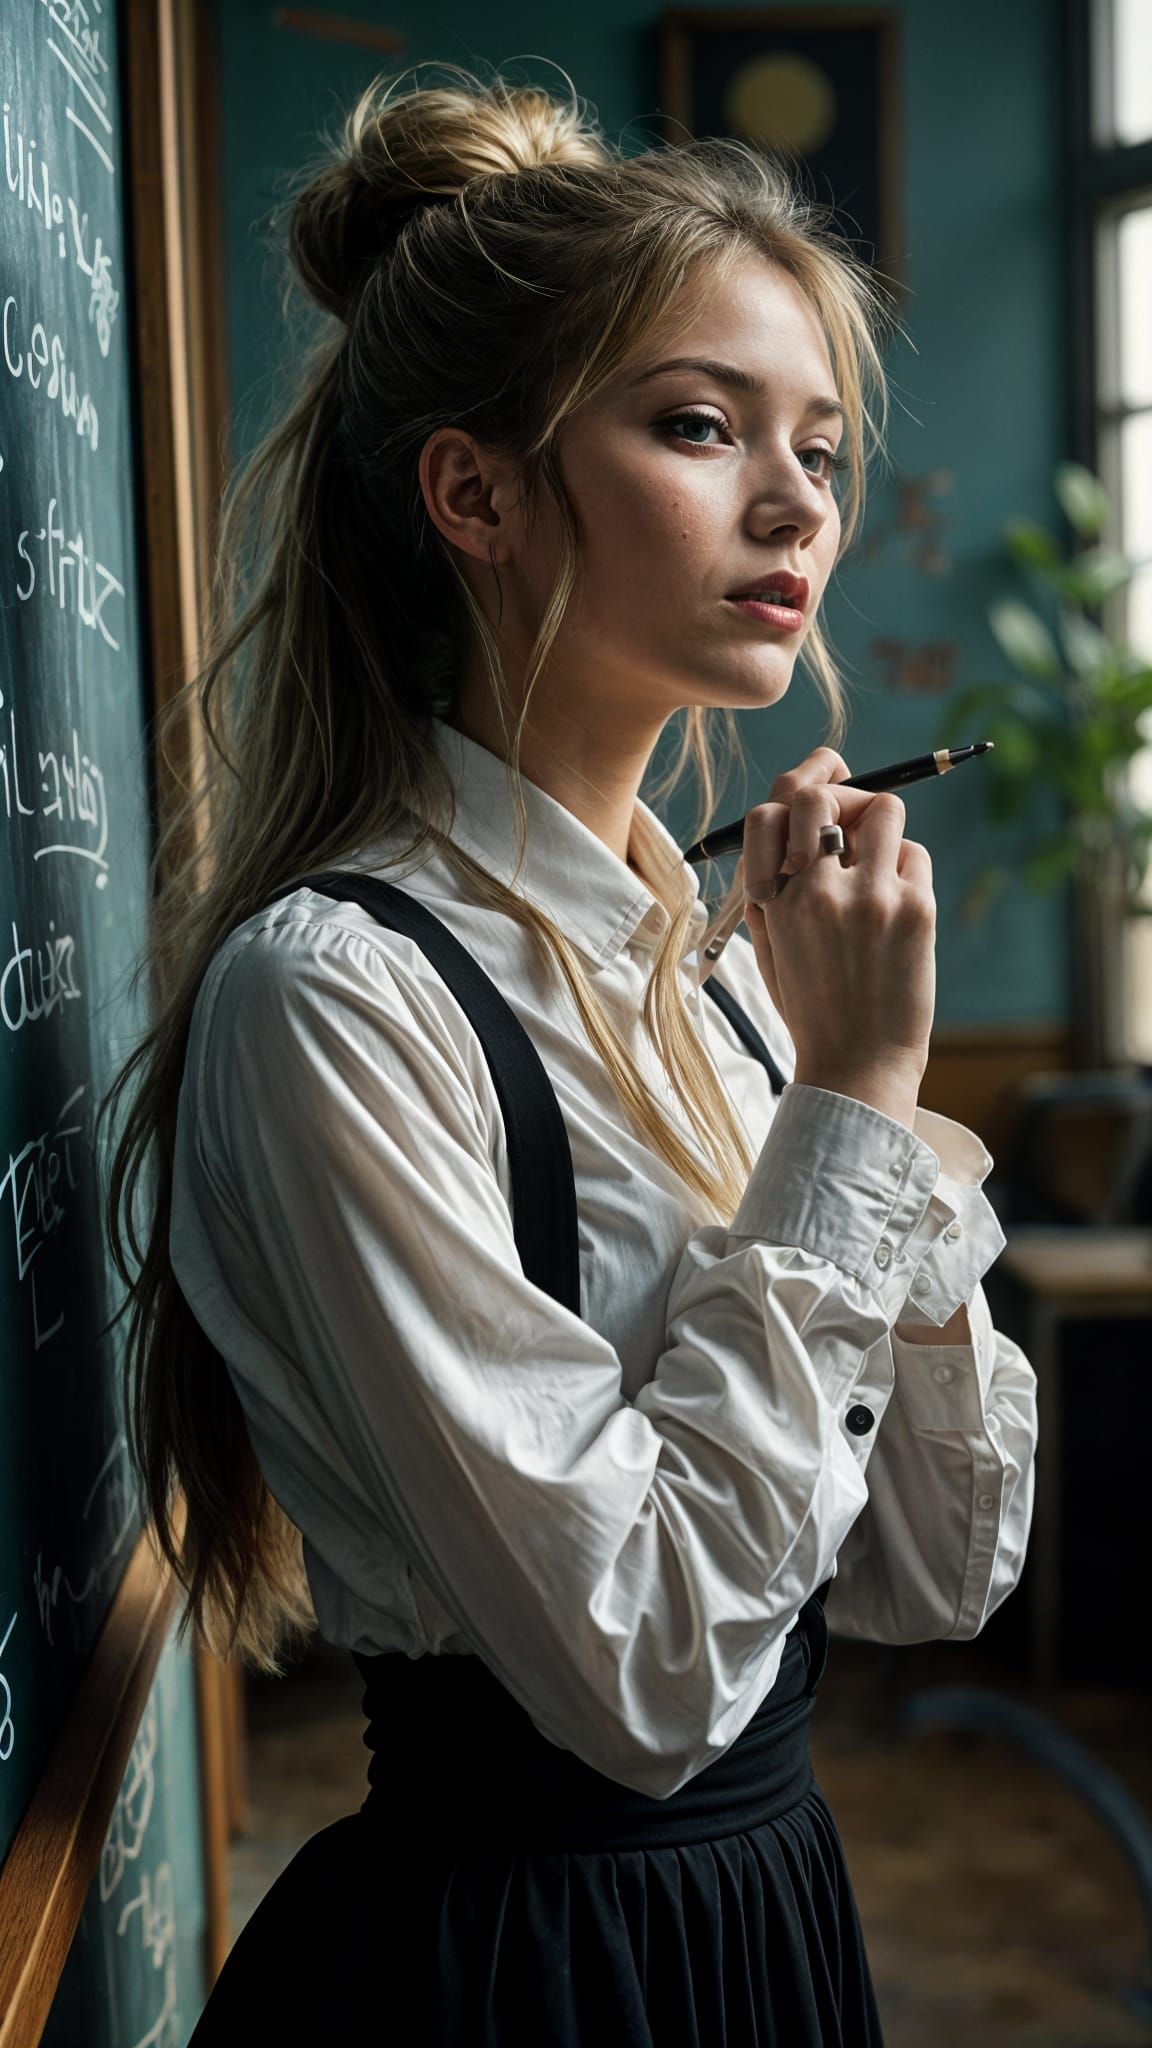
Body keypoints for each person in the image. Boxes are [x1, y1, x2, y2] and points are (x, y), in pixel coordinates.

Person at [102, 62, 1038, 2044]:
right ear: (480, 493)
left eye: (824, 445)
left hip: (770, 1920)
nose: (798, 504)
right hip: (520, 1970)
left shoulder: (710, 971)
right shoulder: (338, 995)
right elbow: (640, 1675)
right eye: (701, 427)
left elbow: (937, 1567)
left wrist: (847, 1099)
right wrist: (857, 1110)